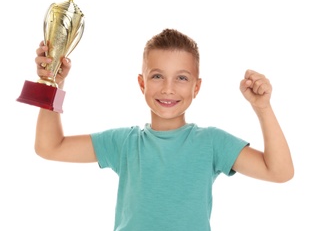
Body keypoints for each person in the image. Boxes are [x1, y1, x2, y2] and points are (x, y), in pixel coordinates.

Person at [34, 28, 294, 231]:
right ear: (142, 83)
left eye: (181, 78)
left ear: (196, 87)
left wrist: (263, 108)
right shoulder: (124, 143)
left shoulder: (212, 142)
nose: (168, 88)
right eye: (157, 76)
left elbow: (280, 172)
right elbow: (49, 147)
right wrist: (51, 84)